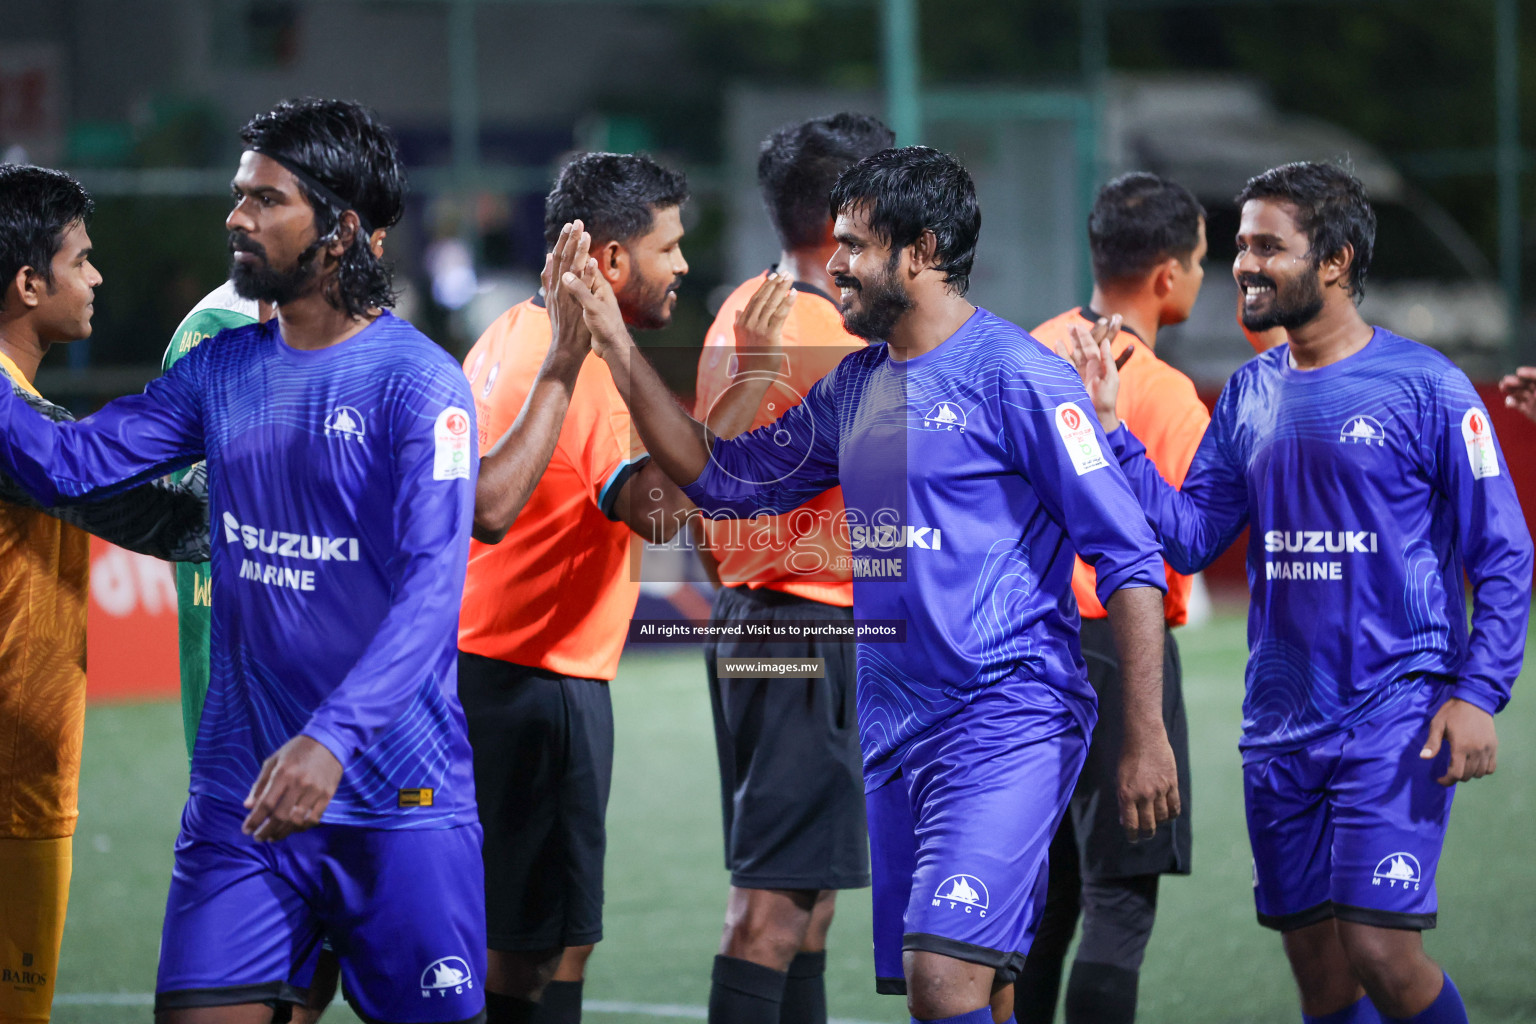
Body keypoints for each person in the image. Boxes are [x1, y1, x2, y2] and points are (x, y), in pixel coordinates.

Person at [0, 98, 597, 1024]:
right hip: (241, 809)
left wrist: (329, 739)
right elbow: (69, 465)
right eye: (240, 195)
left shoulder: (418, 385)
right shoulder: (220, 369)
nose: (236, 217)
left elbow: (432, 591)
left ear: (340, 230)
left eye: (265, 199)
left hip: (398, 802)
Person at [565, 145, 1180, 1024]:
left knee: (944, 982)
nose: (837, 264)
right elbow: (725, 480)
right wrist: (619, 347)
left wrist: (1145, 734)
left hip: (1006, 719)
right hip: (898, 738)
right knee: (985, 986)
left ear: (921, 252)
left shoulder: (1021, 379)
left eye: (855, 244)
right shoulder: (856, 386)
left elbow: (1130, 558)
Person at [1061, 161, 1532, 1024]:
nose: (1242, 263)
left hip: (1394, 714)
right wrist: (1113, 432)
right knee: (1321, 977)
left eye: (1267, 246)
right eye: (1239, 245)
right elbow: (1190, 535)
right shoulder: (1248, 395)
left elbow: (1503, 552)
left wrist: (1478, 692)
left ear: (1335, 261)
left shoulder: (1427, 387)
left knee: (1385, 952)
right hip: (1278, 730)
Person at [457, 151, 694, 1024]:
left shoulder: (502, 333)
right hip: (542, 684)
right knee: (529, 953)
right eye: (669, 248)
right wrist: (738, 419)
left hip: (479, 671)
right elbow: (662, 514)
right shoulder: (588, 369)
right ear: (611, 263)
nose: (683, 267)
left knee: (521, 932)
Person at [691, 112, 893, 1024]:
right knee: (772, 914)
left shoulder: (740, 307)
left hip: (758, 620)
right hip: (806, 627)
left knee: (806, 911)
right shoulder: (839, 344)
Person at [0, 163, 211, 1024]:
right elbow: (130, 500)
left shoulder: (24, 408)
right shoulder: (16, 423)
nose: (96, 278)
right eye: (81, 260)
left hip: (29, 775)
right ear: (27, 281)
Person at [1018, 172, 1210, 1024]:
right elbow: (1184, 541)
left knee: (1042, 907)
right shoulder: (1167, 395)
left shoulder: (1021, 353)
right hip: (1115, 649)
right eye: (1205, 260)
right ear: (1167, 274)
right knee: (1118, 906)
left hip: (1021, 648)